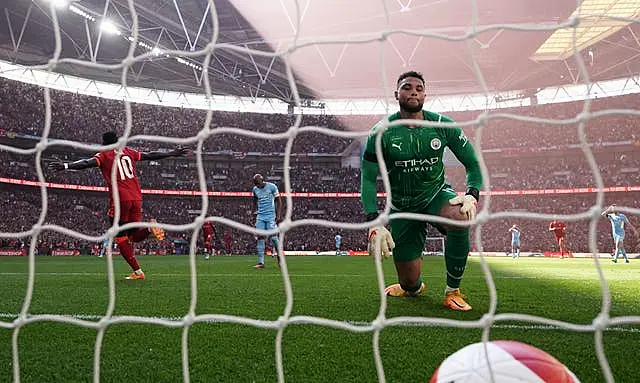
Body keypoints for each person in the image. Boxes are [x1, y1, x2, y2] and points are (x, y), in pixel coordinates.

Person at [360, 71, 483, 311]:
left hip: (435, 195)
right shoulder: (380, 132)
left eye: (418, 88)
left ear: (425, 94)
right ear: (397, 94)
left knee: (460, 215)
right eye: (407, 87)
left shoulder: (443, 125)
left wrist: (472, 193)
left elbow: (474, 164)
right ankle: (413, 285)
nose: (413, 91)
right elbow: (367, 178)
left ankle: (452, 291)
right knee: (409, 285)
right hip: (402, 207)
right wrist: (373, 221)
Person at [49, 131, 188, 279]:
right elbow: (150, 155)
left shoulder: (104, 155)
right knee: (133, 237)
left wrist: (65, 166)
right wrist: (172, 153)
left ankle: (138, 272)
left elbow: (86, 163)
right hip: (137, 198)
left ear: (104, 143)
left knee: (120, 238)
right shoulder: (128, 151)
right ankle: (148, 229)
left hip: (121, 199)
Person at [252, 174, 282, 268]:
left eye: (258, 184)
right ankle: (261, 263)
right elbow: (255, 201)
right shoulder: (255, 189)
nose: (257, 186)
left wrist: (278, 215)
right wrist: (253, 213)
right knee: (260, 237)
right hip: (260, 216)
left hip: (270, 216)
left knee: (273, 238)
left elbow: (279, 201)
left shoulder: (272, 187)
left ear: (262, 180)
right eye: (256, 184)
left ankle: (280, 258)